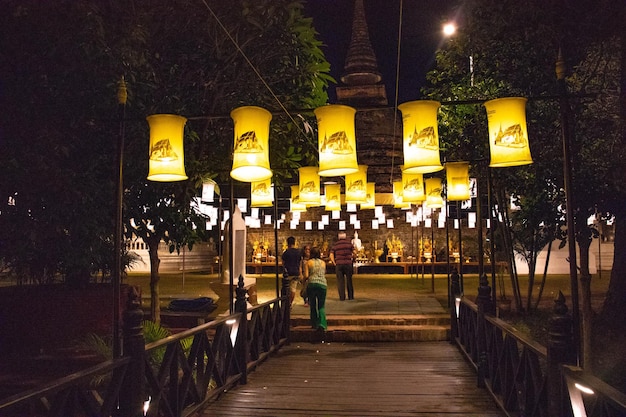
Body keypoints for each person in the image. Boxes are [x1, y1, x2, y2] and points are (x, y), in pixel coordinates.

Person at [304, 247, 327, 337]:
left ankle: (314, 323)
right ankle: (322, 324)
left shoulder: (308, 263)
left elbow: (306, 275)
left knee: (313, 305)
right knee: (321, 306)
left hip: (312, 284)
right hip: (322, 284)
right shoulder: (323, 263)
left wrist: (303, 280)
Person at [329, 231, 355, 301]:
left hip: (339, 264)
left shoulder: (335, 245)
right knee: (349, 280)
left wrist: (334, 262)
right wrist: (353, 259)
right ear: (345, 237)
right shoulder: (349, 244)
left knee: (340, 281)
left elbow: (331, 254)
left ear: (338, 237)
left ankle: (342, 297)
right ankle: (350, 296)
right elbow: (355, 252)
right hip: (348, 263)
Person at [281, 236, 302, 306]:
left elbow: (283, 263)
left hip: (288, 273)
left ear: (287, 243)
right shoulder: (298, 252)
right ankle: (290, 303)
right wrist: (300, 273)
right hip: (296, 272)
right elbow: (300, 263)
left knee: (285, 288)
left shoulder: (286, 252)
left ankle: (286, 303)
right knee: (293, 289)